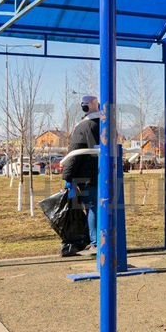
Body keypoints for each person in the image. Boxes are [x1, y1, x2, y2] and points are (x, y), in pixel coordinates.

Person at [60, 95, 101, 255]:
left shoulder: (83, 126)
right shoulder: (106, 125)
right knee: (101, 207)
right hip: (104, 173)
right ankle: (102, 240)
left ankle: (96, 243)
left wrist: (67, 177)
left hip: (87, 176)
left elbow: (75, 153)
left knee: (92, 207)